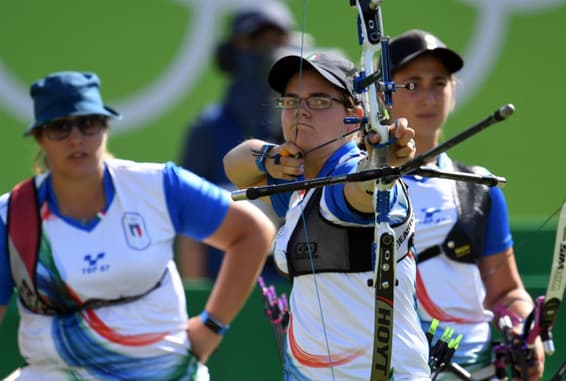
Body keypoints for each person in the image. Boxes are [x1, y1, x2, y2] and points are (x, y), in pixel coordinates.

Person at [0, 71, 275, 380]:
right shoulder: (11, 215)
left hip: (163, 369)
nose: (76, 137)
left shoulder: (159, 185)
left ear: (105, 127)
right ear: (40, 137)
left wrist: (212, 325)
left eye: (88, 123)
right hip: (56, 373)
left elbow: (254, 232)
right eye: (60, 127)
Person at [223, 51, 429, 380]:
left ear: (357, 114)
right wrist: (270, 157)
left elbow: (361, 190)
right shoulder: (297, 181)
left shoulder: (345, 176)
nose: (300, 111)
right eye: (291, 101)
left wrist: (379, 163)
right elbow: (235, 164)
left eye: (319, 101)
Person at [386, 29, 544, 381]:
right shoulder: (363, 187)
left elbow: (506, 291)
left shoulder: (478, 186)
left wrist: (522, 329)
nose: (427, 97)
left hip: (479, 370)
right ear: (383, 96)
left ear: (453, 91)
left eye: (438, 83)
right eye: (411, 84)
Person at [177, 3, 296, 280]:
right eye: (256, 41)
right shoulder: (207, 130)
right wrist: (198, 302)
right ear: (230, 54)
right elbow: (189, 227)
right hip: (224, 295)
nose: (268, 52)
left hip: (293, 298)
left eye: (277, 41)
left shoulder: (301, 131)